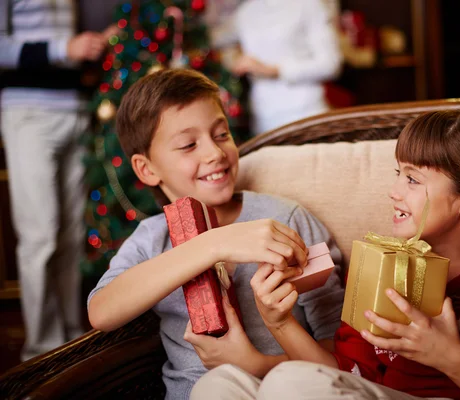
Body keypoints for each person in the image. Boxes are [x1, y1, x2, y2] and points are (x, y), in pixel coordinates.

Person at [192, 110, 460, 399]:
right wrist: (280, 324)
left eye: (412, 179)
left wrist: (448, 356)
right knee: (220, 383)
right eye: (398, 174)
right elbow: (344, 372)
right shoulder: (382, 264)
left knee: (290, 381)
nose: (394, 190)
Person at [87, 69, 345, 400]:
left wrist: (258, 365)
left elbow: (338, 350)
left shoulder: (286, 220)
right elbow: (102, 312)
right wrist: (213, 244)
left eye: (221, 134)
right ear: (147, 169)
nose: (215, 153)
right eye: (188, 144)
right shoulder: (151, 239)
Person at [0, 0, 115, 361]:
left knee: (71, 237)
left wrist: (96, 43)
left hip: (76, 110)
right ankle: (40, 352)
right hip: (29, 114)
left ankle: (68, 341)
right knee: (40, 237)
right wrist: (62, 48)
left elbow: (72, 46)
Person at [210, 0, 342, 135]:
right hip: (263, 116)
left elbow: (330, 64)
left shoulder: (309, 4)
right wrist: (232, 59)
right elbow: (212, 38)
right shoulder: (246, 12)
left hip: (305, 111)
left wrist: (274, 71)